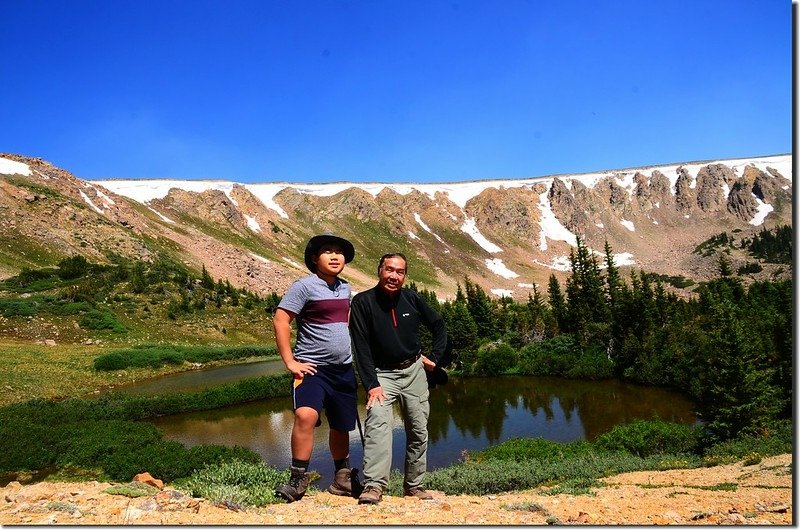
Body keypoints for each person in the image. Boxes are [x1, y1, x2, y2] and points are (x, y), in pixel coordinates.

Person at [349, 252, 448, 505]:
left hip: (414, 370)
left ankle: (414, 485)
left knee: (418, 429)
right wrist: (371, 384)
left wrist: (435, 358)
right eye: (389, 269)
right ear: (379, 270)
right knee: (378, 426)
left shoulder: (412, 299)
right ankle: (374, 486)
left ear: (404, 275)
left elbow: (438, 325)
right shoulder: (363, 302)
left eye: (400, 271)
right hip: (382, 375)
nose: (394, 276)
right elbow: (360, 347)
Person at [274, 234, 358, 502]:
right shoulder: (304, 286)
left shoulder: (345, 288)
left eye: (339, 252)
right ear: (314, 259)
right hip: (312, 368)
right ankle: (298, 480)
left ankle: (342, 479)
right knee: (306, 416)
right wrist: (290, 361)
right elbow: (281, 319)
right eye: (327, 252)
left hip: (343, 369)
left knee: (342, 424)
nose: (335, 256)